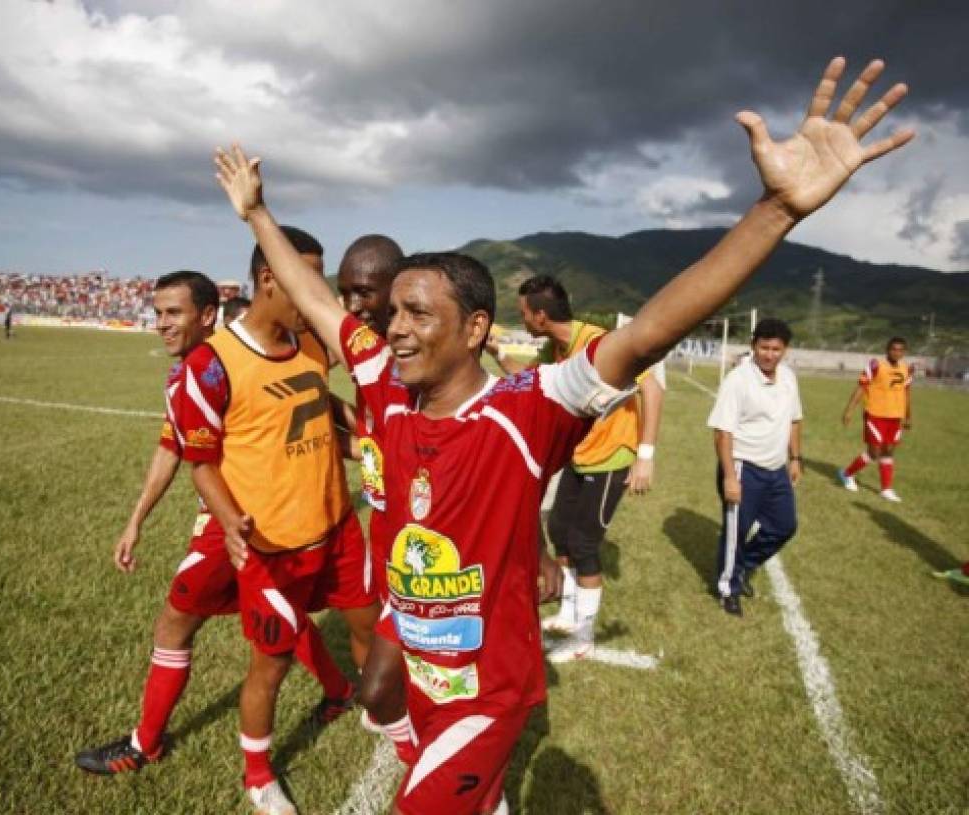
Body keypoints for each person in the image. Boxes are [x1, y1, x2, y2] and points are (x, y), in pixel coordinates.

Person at [214, 54, 913, 814]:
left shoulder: (527, 406)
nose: (398, 328)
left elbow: (648, 331)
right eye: (394, 313)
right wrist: (256, 212)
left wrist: (776, 210)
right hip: (417, 657)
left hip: (489, 688)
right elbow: (315, 300)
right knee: (379, 692)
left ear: (477, 328)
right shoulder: (383, 377)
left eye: (420, 314)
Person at [173, 227, 379, 815]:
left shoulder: (310, 342)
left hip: (337, 524)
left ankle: (375, 706)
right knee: (273, 663)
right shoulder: (212, 364)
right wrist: (231, 520)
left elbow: (317, 404)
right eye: (307, 278)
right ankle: (258, 775)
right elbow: (202, 461)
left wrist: (365, 442)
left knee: (368, 623)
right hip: (271, 545)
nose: (320, 294)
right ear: (270, 278)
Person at [487, 275, 664, 660]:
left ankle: (584, 638)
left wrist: (645, 455)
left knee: (583, 545)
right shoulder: (555, 348)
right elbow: (528, 381)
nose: (521, 319)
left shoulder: (598, 344)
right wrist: (498, 351)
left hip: (611, 457)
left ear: (540, 316)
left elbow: (653, 388)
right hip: (579, 456)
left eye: (522, 314)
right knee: (559, 533)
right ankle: (569, 614)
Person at [332, 234, 421, 761]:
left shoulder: (407, 360)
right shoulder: (375, 365)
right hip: (384, 529)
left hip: (423, 539)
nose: (352, 306)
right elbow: (377, 434)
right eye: (344, 293)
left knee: (397, 677)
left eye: (364, 291)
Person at [707, 318, 803, 616]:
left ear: (785, 350)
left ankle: (742, 567)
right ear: (753, 346)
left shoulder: (788, 377)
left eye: (776, 349)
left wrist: (795, 458)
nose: (769, 354)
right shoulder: (738, 380)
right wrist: (731, 478)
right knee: (737, 532)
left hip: (776, 470)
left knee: (785, 526)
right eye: (764, 347)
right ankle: (728, 589)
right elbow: (723, 433)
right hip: (743, 467)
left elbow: (794, 420)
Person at [839, 336, 912, 502]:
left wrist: (908, 416)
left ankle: (886, 489)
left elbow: (907, 393)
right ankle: (847, 473)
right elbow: (861, 387)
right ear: (887, 350)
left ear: (904, 352)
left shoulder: (906, 369)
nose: (897, 352)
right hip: (876, 415)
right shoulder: (876, 365)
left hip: (896, 417)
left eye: (901, 350)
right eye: (894, 349)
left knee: (889, 451)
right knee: (874, 452)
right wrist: (849, 410)